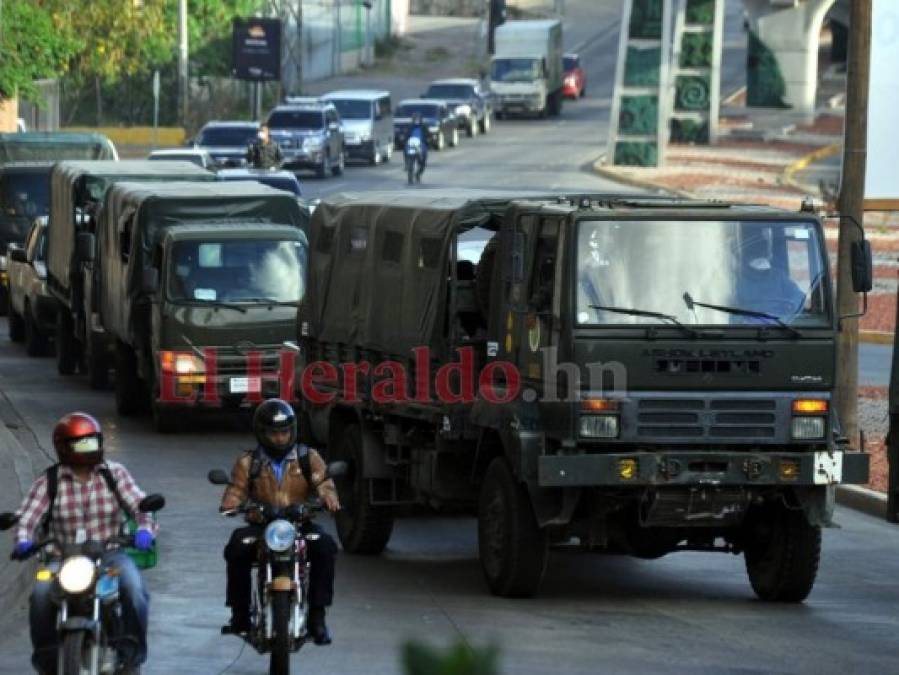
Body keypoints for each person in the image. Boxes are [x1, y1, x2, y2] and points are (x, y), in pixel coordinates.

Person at [11, 412, 157, 675]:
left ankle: (132, 652)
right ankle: (46, 661)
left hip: (110, 556)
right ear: (64, 447)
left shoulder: (115, 474)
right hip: (61, 560)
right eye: (82, 444)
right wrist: (23, 541)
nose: (90, 449)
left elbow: (140, 505)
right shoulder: (49, 481)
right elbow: (27, 518)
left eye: (93, 442)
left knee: (135, 590)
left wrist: (145, 530)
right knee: (40, 596)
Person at [220, 398, 340, 645]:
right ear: (262, 433)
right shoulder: (248, 462)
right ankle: (239, 614)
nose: (280, 438)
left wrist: (329, 498)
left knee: (325, 546)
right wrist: (230, 502)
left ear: (292, 430)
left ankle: (318, 616)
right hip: (262, 524)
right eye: (274, 433)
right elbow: (236, 488)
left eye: (284, 432)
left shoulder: (309, 457)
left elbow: (324, 482)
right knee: (237, 547)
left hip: (299, 522)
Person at [406, 112, 428, 182]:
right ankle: (408, 168)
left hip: (421, 145)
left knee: (422, 162)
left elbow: (428, 135)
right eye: (415, 118)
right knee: (407, 154)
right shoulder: (410, 127)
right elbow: (406, 135)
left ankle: (418, 173)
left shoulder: (424, 127)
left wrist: (427, 140)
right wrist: (405, 140)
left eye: (418, 118)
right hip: (411, 145)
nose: (417, 120)